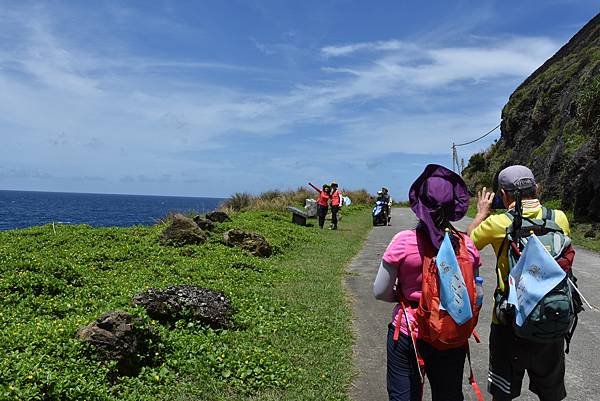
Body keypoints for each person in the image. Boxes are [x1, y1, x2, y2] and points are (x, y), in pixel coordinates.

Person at [374, 164, 481, 401]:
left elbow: (379, 291)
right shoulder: (466, 245)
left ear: (419, 207)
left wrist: (407, 297)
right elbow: (474, 292)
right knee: (448, 395)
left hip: (408, 332)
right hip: (450, 332)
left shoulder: (403, 241)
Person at [467, 165, 571, 401]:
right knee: (551, 395)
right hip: (551, 316)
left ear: (504, 195)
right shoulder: (559, 218)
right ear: (537, 188)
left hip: (508, 323)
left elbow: (466, 246)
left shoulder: (497, 224)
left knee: (503, 395)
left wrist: (481, 214)